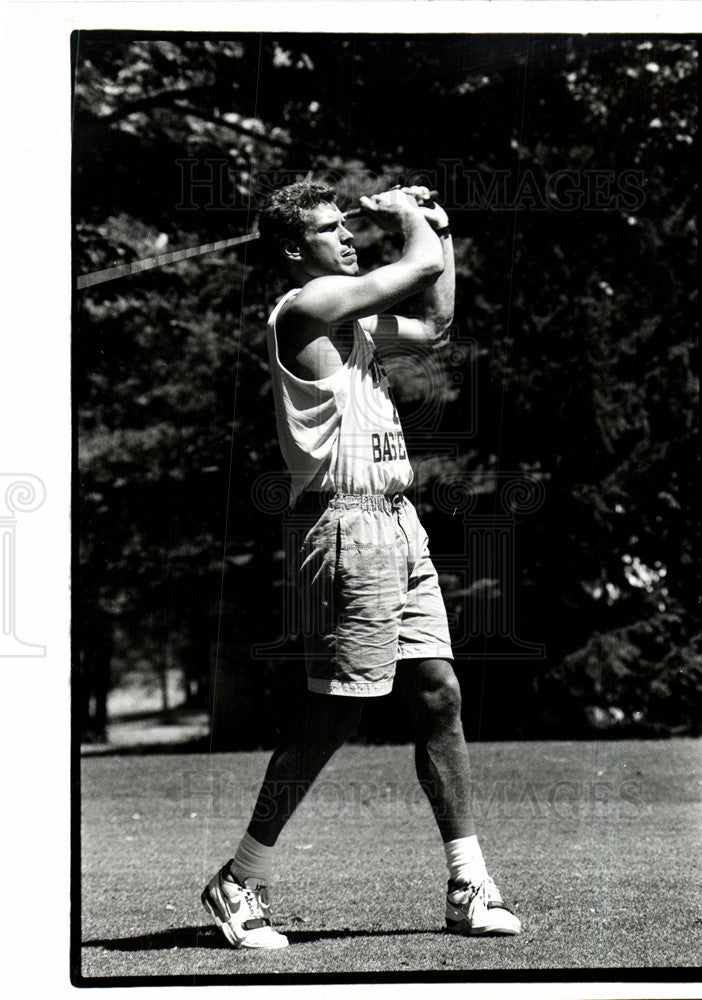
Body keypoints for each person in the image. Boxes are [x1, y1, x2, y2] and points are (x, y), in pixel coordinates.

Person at [201, 179, 521, 949]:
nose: (348, 237)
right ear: (291, 249)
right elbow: (406, 270)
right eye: (329, 229)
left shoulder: (356, 324)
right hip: (344, 529)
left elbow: (435, 319)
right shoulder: (307, 309)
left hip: (397, 524)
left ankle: (468, 884)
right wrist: (406, 218)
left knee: (439, 693)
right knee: (336, 707)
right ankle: (241, 878)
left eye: (351, 227)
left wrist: (439, 233)